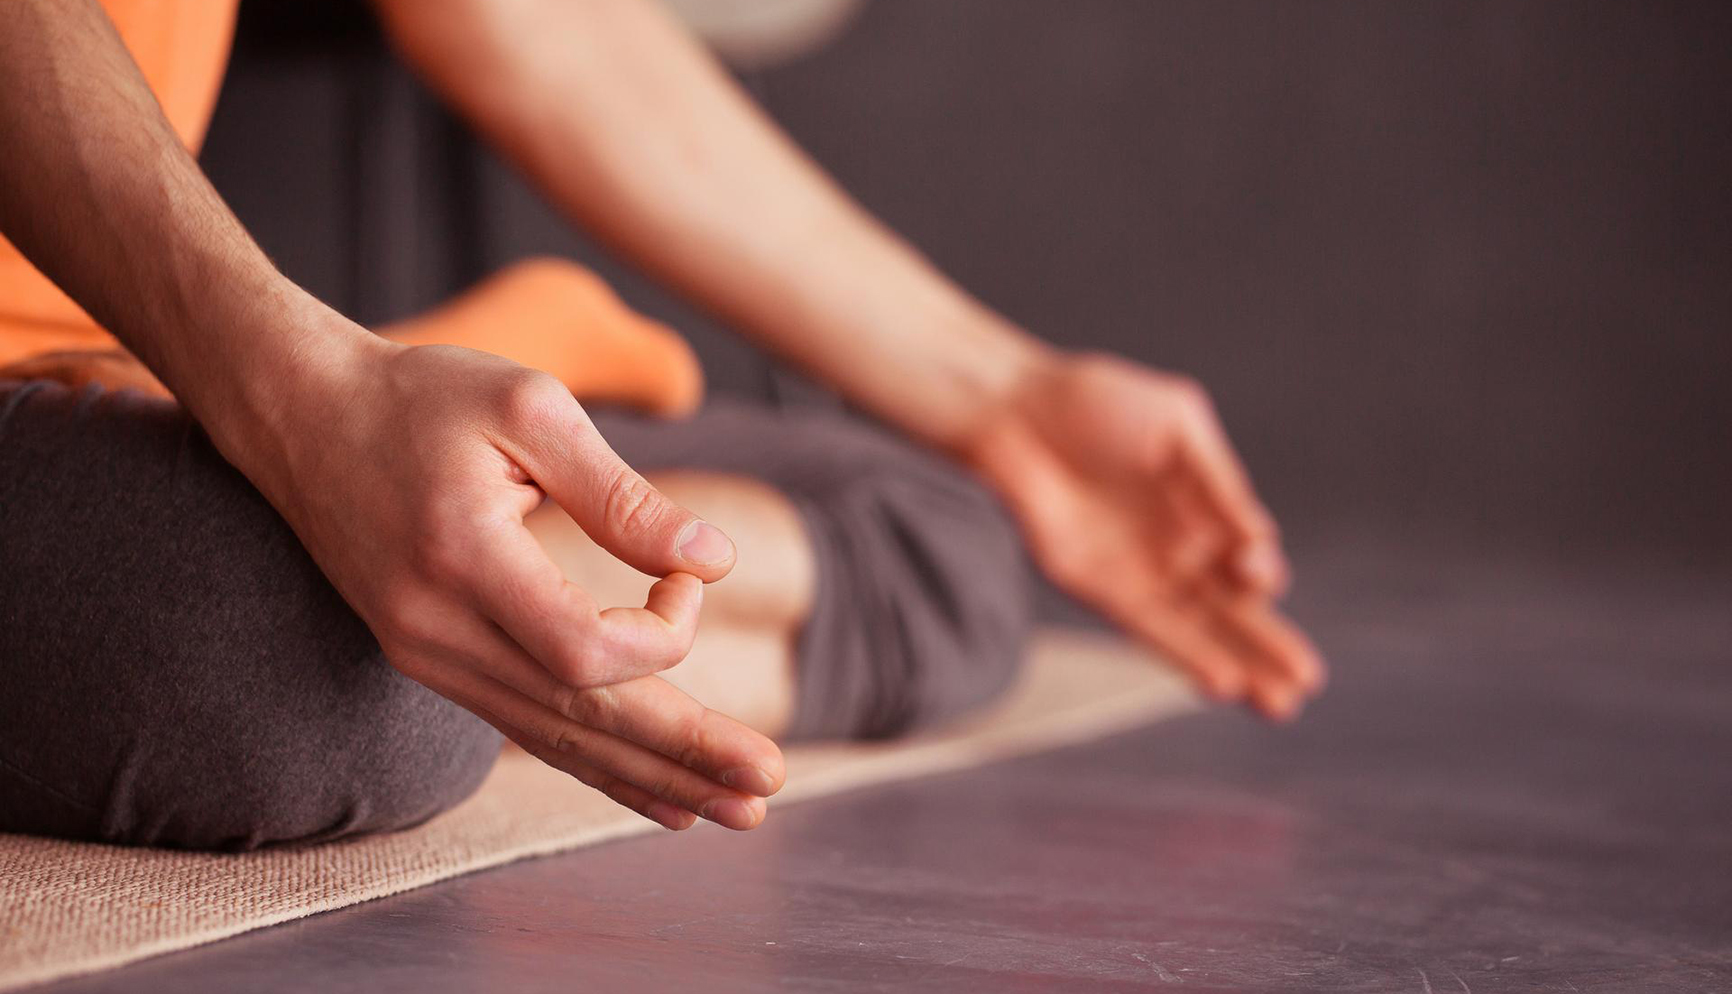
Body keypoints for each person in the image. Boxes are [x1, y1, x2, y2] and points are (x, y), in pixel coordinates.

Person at [0, 0, 1323, 851]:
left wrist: (1005, 394)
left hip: (141, 344)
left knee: (938, 532)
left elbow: (531, 20)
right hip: (159, 364)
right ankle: (439, 603)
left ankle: (457, 598)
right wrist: (295, 398)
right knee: (291, 673)